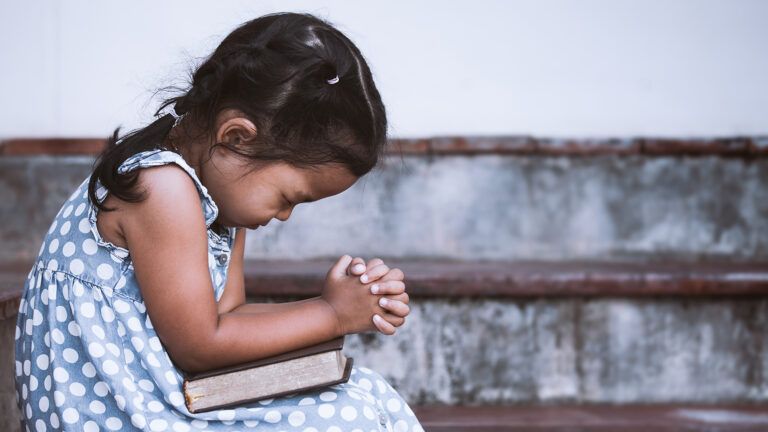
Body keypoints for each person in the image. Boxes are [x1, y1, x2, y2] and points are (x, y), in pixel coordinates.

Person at [14, 11, 424, 432]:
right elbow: (200, 345)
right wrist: (331, 314)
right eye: (288, 198)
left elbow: (230, 319)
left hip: (157, 396)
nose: (283, 216)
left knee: (367, 393)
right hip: (114, 415)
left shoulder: (218, 198)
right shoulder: (162, 188)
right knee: (345, 418)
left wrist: (342, 306)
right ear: (236, 137)